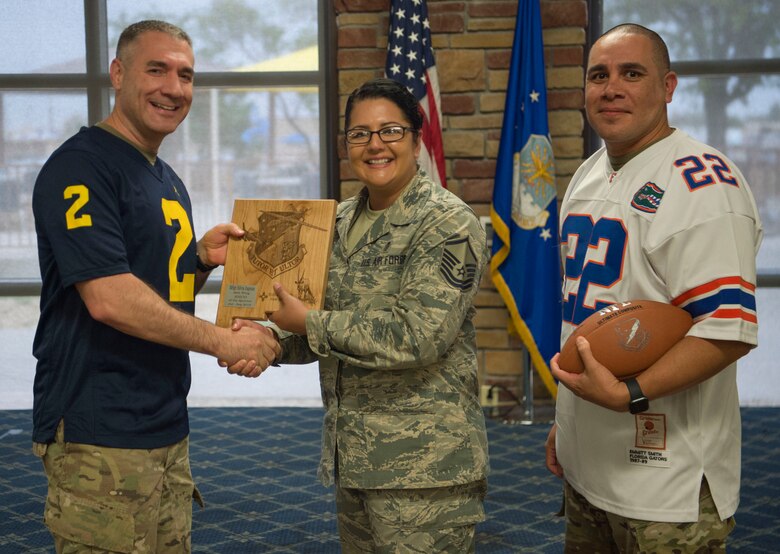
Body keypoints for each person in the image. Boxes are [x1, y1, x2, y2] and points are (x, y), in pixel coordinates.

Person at [31, 20, 280, 552]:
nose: (174, 87)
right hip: (98, 429)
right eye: (157, 69)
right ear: (118, 74)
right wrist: (227, 342)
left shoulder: (164, 176)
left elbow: (151, 280)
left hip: (164, 420)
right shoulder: (82, 167)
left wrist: (199, 259)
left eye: (186, 75)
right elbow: (110, 299)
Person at [233, 78, 490, 552]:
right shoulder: (334, 222)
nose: (374, 145)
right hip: (353, 456)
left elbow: (419, 334)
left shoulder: (449, 223)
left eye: (390, 130)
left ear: (417, 138)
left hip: (423, 471)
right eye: (359, 133)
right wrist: (263, 341)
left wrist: (305, 324)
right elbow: (317, 324)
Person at [544, 23, 762, 552]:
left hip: (666, 481)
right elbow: (585, 315)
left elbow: (728, 330)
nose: (611, 88)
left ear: (667, 87)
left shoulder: (703, 184)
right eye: (599, 75)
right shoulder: (590, 172)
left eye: (631, 73)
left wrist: (631, 394)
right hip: (589, 461)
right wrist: (565, 424)